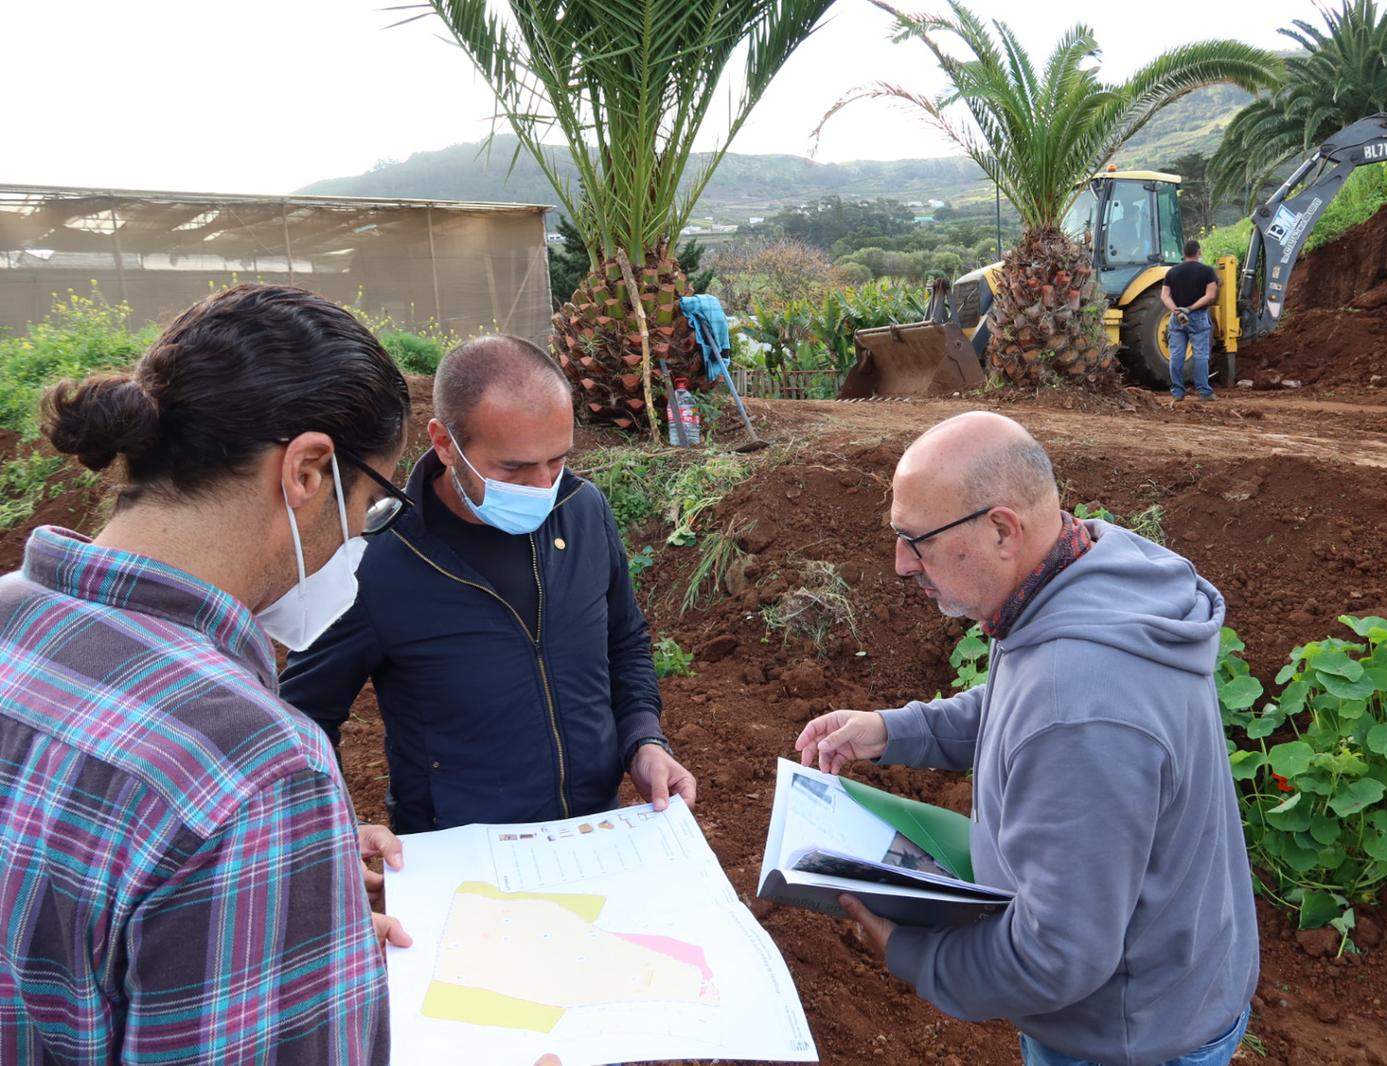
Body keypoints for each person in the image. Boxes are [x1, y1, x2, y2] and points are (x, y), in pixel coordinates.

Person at [0, 285, 413, 1062]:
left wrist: (286, 881)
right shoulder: (256, 771)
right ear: (309, 472)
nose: (360, 534)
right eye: (371, 503)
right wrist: (268, 838)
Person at [794, 412, 1258, 1066]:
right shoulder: (1086, 576)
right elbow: (1021, 708)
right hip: (1163, 983)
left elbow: (1056, 955)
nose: (901, 565)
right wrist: (892, 731)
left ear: (1003, 529)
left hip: (1128, 1041)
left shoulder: (1083, 702)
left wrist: (910, 952)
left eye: (914, 539)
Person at [281, 336, 695, 833]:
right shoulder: (376, 560)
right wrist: (335, 833)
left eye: (558, 459)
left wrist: (644, 742)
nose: (544, 486)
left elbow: (624, 642)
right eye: (514, 468)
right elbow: (301, 720)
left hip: (593, 838)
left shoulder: (582, 511)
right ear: (445, 444)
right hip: (461, 864)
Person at [1161, 239, 1221, 401]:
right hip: (1198, 317)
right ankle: (1204, 391)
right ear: (1199, 252)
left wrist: (1176, 310)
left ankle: (1178, 392)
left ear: (1183, 253)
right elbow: (1210, 295)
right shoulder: (1207, 272)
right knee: (1200, 355)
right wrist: (1191, 308)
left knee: (1176, 355)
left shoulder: (1172, 272)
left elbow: (1164, 295)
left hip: (1177, 317)